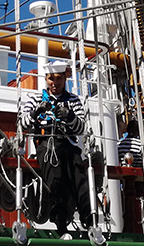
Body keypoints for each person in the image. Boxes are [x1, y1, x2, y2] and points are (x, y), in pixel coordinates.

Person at [19, 60, 92, 236]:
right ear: (46, 79)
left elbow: (82, 128)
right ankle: (60, 224)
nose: (54, 83)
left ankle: (89, 221)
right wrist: (36, 112)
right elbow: (22, 124)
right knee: (56, 179)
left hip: (68, 144)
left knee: (79, 180)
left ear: (64, 78)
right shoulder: (36, 98)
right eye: (51, 79)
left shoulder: (73, 100)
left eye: (58, 79)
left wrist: (70, 117)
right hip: (46, 145)